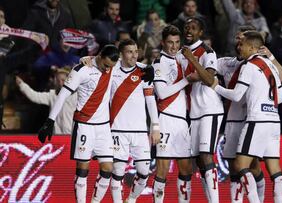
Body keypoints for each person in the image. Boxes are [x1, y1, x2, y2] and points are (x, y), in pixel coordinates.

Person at [208, 31, 282, 203]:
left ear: (252, 47)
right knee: (275, 170)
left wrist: (216, 87)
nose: (239, 47)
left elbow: (236, 96)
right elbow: (281, 98)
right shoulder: (271, 65)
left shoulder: (249, 66)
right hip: (274, 121)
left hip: (257, 120)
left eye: (242, 44)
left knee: (239, 165)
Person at [37, 45, 119, 203]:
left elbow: (131, 63)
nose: (108, 70)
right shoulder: (81, 70)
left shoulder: (112, 67)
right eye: (106, 65)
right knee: (83, 170)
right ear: (100, 56)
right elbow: (62, 95)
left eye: (112, 67)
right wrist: (50, 121)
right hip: (84, 125)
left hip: (103, 127)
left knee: (108, 170)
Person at [108, 39, 160, 203]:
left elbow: (151, 101)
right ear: (121, 54)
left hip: (139, 131)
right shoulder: (111, 70)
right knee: (117, 171)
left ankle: (131, 199)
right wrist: (84, 59)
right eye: (130, 52)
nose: (134, 55)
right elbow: (95, 63)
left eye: (136, 52)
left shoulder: (144, 71)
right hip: (117, 129)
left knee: (144, 172)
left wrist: (155, 126)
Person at [178, 17, 224, 203]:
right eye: (186, 27)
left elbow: (209, 78)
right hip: (193, 112)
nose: (189, 30)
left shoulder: (207, 51)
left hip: (209, 109)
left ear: (200, 32)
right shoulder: (180, 52)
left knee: (206, 156)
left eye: (193, 28)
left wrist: (193, 60)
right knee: (197, 161)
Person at [151, 25, 192, 203]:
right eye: (170, 42)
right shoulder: (159, 62)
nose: (174, 47)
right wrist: (186, 80)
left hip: (182, 122)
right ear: (162, 42)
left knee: (186, 169)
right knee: (162, 169)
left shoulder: (182, 59)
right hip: (166, 118)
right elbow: (162, 93)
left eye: (177, 42)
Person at [16, 67, 76, 134]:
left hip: (71, 136)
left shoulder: (76, 96)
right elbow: (35, 96)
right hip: (56, 137)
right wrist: (21, 84)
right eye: (58, 80)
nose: (60, 83)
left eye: (63, 80)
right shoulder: (52, 95)